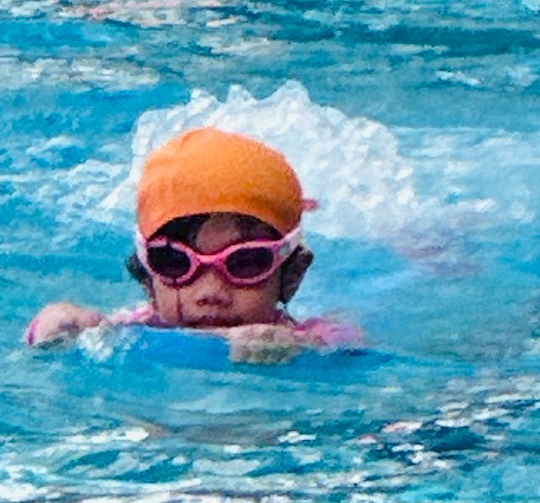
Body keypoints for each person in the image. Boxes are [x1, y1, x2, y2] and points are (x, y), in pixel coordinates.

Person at [24, 127, 359, 364]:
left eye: (244, 262)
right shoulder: (137, 329)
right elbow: (52, 332)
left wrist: (301, 348)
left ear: (292, 274)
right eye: (175, 262)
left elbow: (347, 343)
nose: (210, 292)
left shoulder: (299, 336)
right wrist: (60, 320)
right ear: (147, 277)